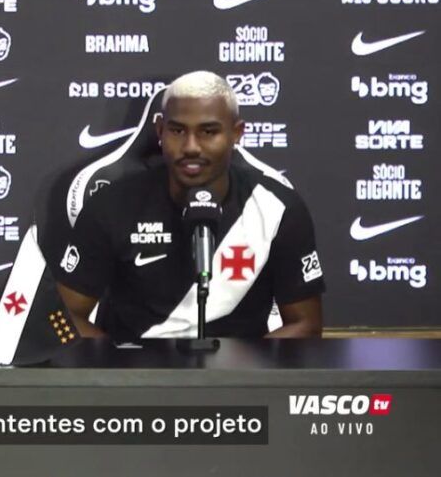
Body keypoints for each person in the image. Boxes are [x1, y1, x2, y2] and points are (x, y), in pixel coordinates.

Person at [54, 71, 324, 339]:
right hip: (134, 364)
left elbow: (306, 325)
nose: (191, 147)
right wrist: (119, 361)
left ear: (236, 133)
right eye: (177, 130)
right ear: (160, 131)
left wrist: (247, 363)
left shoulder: (278, 209)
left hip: (239, 365)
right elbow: (62, 318)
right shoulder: (112, 205)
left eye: (208, 132)